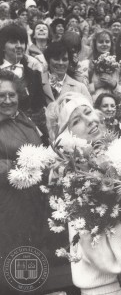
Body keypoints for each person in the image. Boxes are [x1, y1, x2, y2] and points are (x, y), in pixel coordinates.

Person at [45, 91, 121, 295]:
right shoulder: (76, 178)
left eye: (88, 112)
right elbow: (97, 250)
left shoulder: (117, 155)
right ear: (66, 136)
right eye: (76, 120)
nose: (89, 121)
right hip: (107, 287)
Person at [0, 70, 45, 293]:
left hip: (35, 205)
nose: (7, 100)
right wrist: (14, 168)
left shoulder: (24, 119)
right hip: (8, 210)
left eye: (11, 94)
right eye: (1, 96)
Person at [0, 23, 48, 143]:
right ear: (3, 46)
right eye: (13, 42)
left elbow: (39, 106)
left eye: (22, 42)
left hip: (27, 130)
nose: (19, 46)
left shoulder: (33, 72)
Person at [42, 40, 92, 105]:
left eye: (64, 59)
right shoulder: (37, 81)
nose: (61, 63)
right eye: (56, 59)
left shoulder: (80, 87)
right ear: (48, 60)